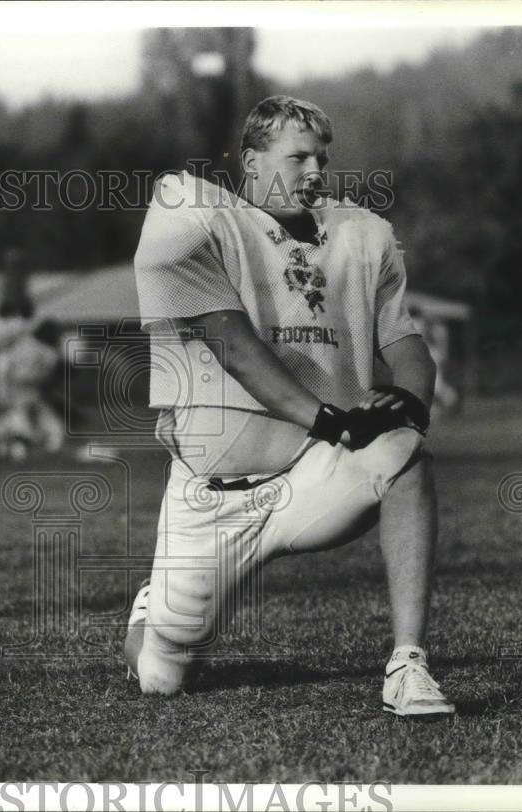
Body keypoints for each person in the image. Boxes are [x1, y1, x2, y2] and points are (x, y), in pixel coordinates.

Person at [124, 95, 455, 717]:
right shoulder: (194, 212)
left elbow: (404, 342)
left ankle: (408, 665)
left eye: (322, 158)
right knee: (160, 676)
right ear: (250, 161)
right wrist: (331, 418)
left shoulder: (361, 234)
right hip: (212, 496)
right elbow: (232, 344)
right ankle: (153, 611)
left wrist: (410, 403)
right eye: (297, 156)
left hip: (310, 475)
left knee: (407, 455)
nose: (315, 171)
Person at [0, 318, 65, 462]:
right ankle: (8, 447)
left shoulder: (20, 346)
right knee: (22, 425)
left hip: (16, 388)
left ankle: (3, 446)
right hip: (22, 390)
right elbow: (45, 375)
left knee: (16, 422)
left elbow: (3, 370)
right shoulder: (47, 351)